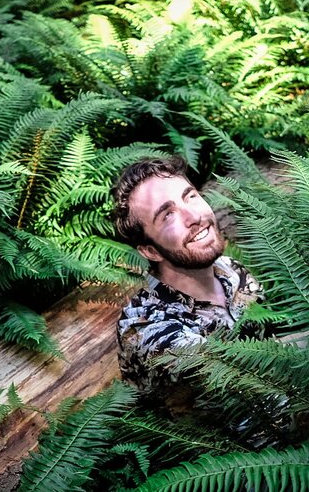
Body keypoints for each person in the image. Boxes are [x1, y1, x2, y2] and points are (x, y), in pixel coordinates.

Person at [111, 156, 264, 410]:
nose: (194, 216)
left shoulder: (231, 270)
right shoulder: (149, 329)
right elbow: (252, 379)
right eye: (167, 215)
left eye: (190, 196)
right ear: (151, 251)